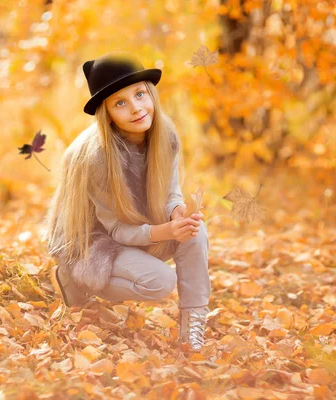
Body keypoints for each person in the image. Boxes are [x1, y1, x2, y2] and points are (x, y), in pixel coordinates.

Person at [44, 51, 211, 352]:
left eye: (139, 94)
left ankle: (193, 323)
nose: (136, 108)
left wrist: (176, 211)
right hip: (94, 241)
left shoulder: (165, 134)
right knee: (159, 282)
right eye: (120, 103)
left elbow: (171, 189)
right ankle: (76, 277)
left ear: (151, 94)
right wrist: (164, 232)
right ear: (107, 115)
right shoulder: (97, 159)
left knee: (196, 232)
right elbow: (116, 230)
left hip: (139, 223)